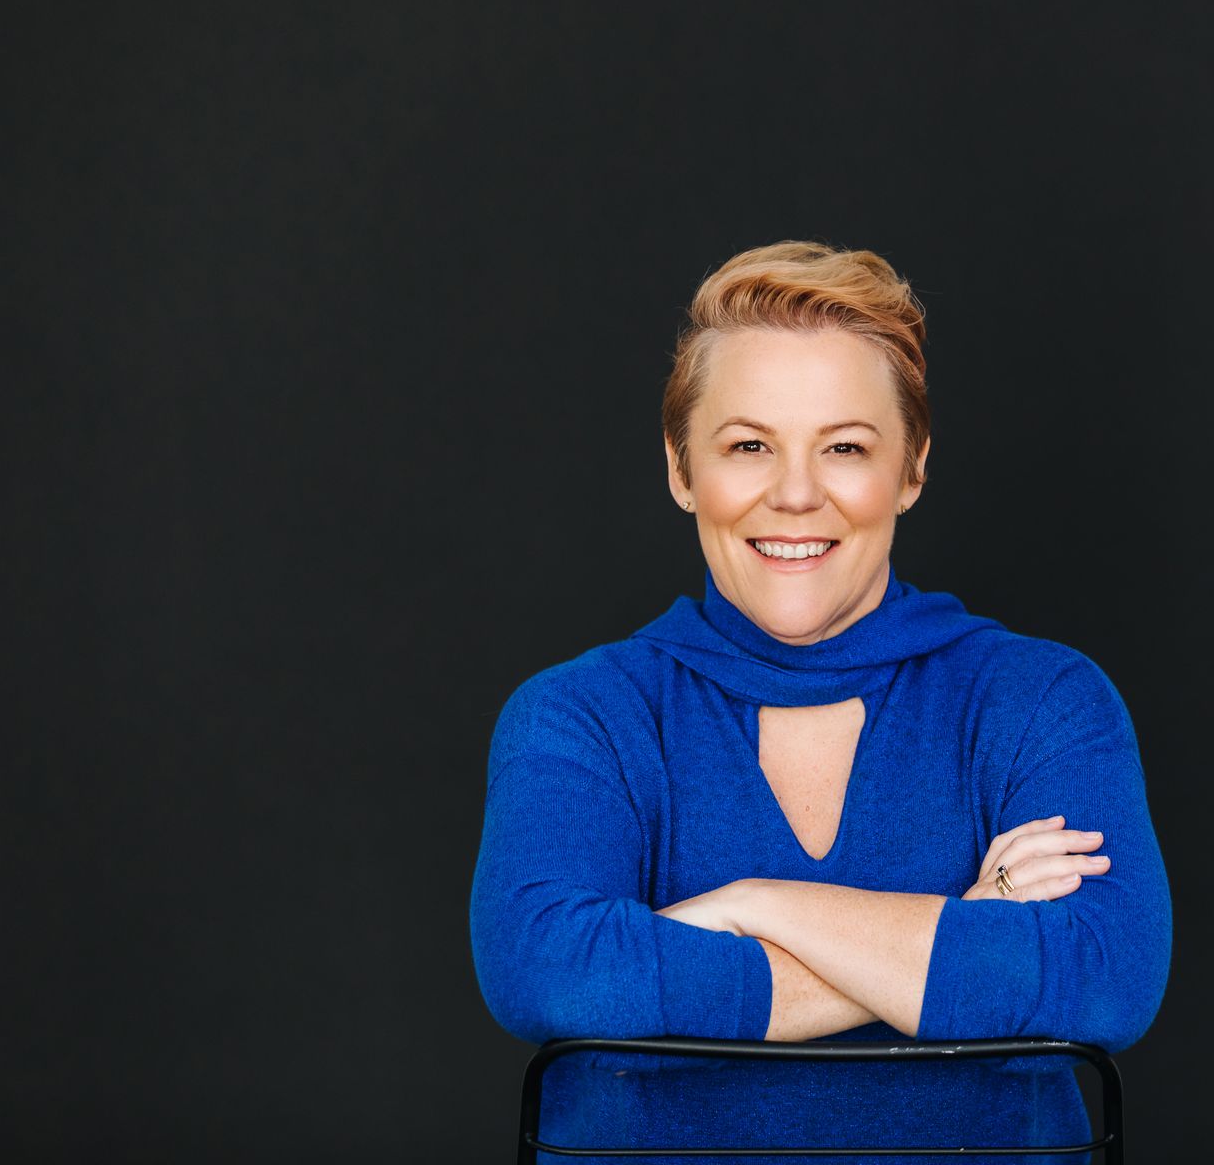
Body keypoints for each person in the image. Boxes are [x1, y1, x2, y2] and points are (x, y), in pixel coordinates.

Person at [469, 241, 1172, 1163]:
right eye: (748, 446)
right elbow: (552, 975)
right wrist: (962, 921)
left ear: (911, 470)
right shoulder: (580, 717)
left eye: (844, 448)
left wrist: (753, 904)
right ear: (682, 470)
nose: (796, 494)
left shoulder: (1043, 702)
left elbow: (1106, 981)